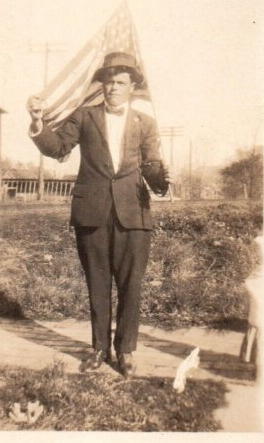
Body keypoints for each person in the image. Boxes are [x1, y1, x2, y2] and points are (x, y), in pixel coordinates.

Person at [26, 51, 171, 378]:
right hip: (92, 213)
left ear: (132, 87)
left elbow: (152, 165)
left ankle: (126, 351)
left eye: (121, 83)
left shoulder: (145, 123)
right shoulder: (84, 116)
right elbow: (57, 148)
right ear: (102, 86)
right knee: (98, 283)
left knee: (131, 286)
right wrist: (38, 121)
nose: (113, 88)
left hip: (134, 214)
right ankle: (99, 349)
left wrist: (162, 179)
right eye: (108, 82)